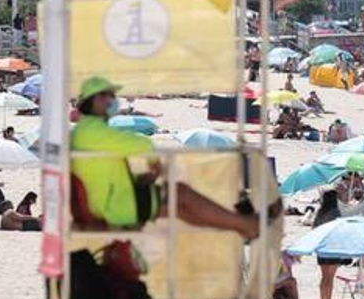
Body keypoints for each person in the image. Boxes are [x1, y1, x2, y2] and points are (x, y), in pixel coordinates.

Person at [69, 76, 260, 238]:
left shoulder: (83, 130)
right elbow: (143, 144)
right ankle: (245, 225)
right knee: (181, 194)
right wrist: (154, 166)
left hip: (107, 198)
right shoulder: (94, 132)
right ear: (93, 101)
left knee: (178, 205)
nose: (112, 100)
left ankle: (237, 226)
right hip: (115, 206)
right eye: (107, 96)